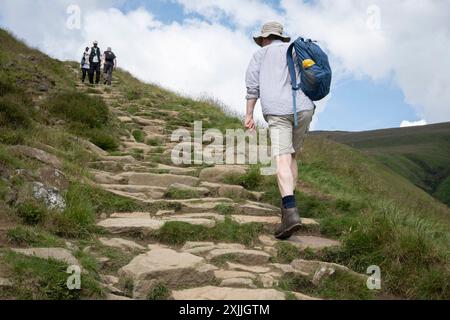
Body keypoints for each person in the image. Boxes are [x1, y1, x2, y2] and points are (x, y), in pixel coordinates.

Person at [245, 22, 315, 240]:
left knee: (282, 158)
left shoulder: (260, 55)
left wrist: (249, 115)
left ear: (265, 38)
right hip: (303, 108)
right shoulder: (294, 49)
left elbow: (252, 88)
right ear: (280, 37)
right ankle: (289, 202)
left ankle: (290, 212)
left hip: (277, 110)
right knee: (292, 154)